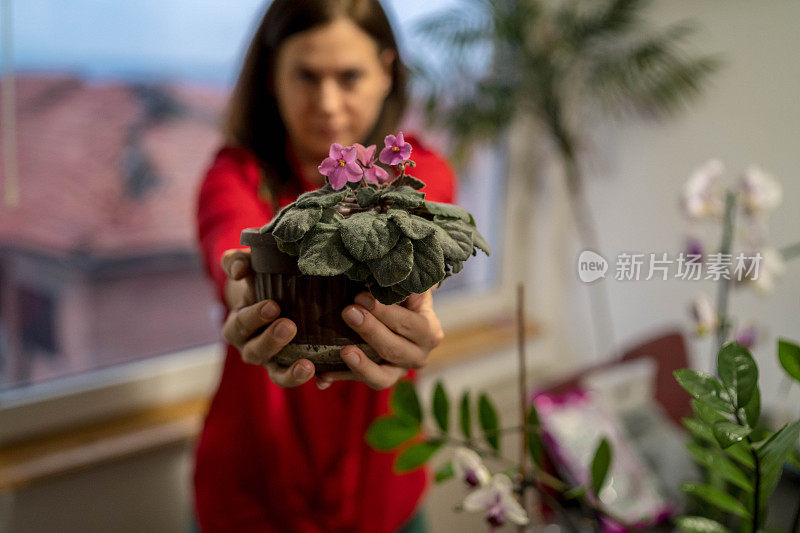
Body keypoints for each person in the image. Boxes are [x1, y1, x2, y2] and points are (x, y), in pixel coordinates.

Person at [193, 1, 457, 532]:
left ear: (387, 72)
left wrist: (418, 310)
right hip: (251, 497)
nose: (328, 104)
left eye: (350, 76)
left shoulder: (418, 172)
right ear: (272, 76)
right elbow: (234, 258)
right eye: (306, 76)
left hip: (382, 496)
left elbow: (422, 252)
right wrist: (247, 298)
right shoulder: (236, 177)